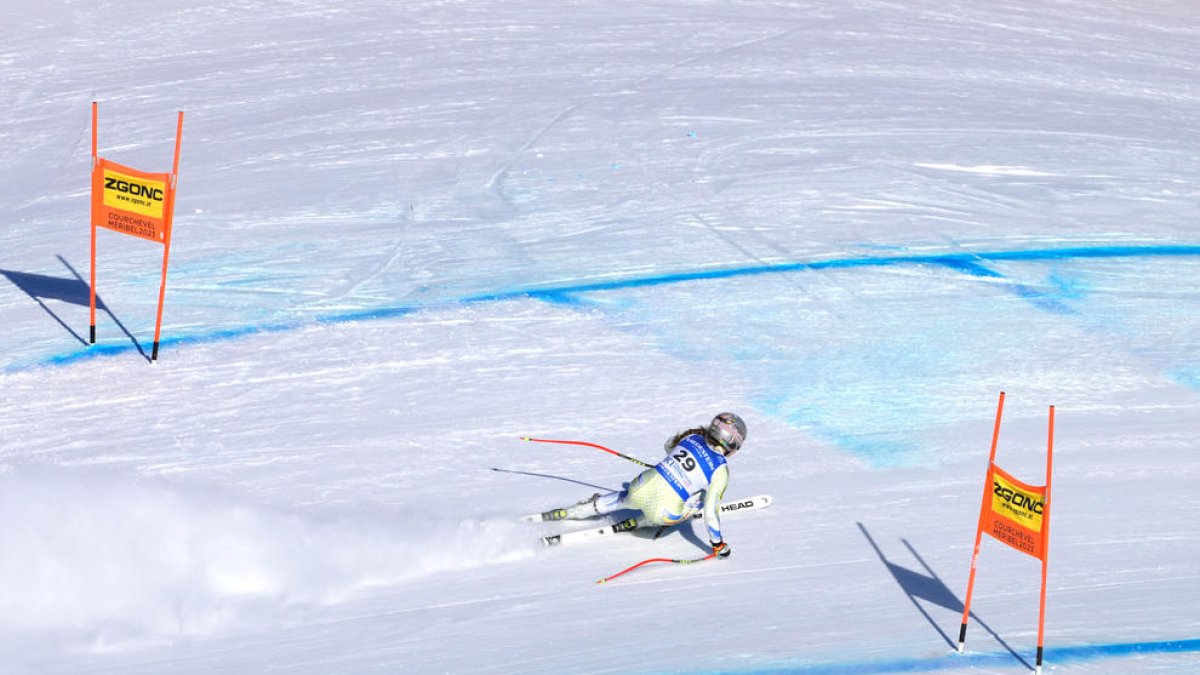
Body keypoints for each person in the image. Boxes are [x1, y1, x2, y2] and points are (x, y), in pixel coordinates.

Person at [540, 412, 747, 558]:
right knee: (701, 499)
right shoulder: (721, 471)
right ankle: (642, 522)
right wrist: (718, 545)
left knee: (625, 497)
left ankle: (575, 511)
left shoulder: (693, 436)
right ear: (732, 444)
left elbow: (668, 447)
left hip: (640, 486)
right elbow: (711, 513)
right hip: (663, 513)